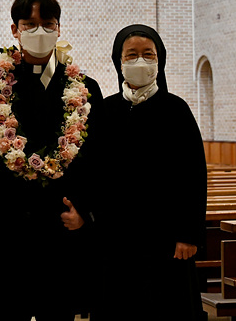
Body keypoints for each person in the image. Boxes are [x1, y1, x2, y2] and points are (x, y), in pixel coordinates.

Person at [0, 0, 103, 321]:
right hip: (4, 229)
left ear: (59, 28)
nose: (39, 32)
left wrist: (85, 210)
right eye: (30, 24)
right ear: (14, 29)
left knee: (58, 315)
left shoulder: (84, 89)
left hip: (60, 231)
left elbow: (98, 160)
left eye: (48, 24)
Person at [77, 24, 207, 320]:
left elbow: (194, 177)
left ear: (160, 60)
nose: (140, 61)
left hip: (166, 240)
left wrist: (188, 235)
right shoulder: (105, 111)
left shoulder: (176, 110)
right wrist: (85, 213)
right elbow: (90, 170)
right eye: (131, 54)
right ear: (119, 61)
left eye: (148, 55)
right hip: (115, 239)